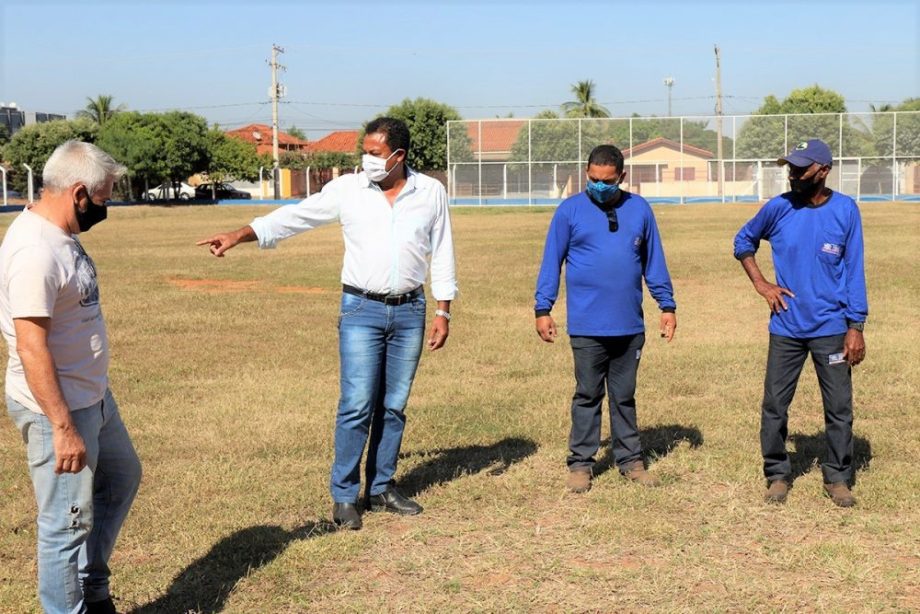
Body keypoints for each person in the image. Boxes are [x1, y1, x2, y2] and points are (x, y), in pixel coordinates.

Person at [198, 117, 457, 530]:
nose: (365, 160)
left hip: (410, 311)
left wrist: (443, 311)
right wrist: (240, 233)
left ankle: (382, 487)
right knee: (356, 405)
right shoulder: (348, 190)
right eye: (365, 152)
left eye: (373, 154)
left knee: (394, 405)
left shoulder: (430, 193)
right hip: (361, 310)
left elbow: (442, 251)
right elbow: (295, 217)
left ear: (399, 156)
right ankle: (344, 497)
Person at [0, 141, 142, 613]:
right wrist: (62, 427)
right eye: (103, 197)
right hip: (57, 409)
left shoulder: (54, 231)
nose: (106, 206)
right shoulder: (36, 250)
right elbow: (30, 344)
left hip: (93, 397)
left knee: (120, 478)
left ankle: (92, 588)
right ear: (79, 193)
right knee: (64, 525)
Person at [534, 144, 677, 494]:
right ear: (587, 174)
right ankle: (581, 464)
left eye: (607, 181)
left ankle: (630, 460)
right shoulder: (569, 211)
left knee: (624, 396)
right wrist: (543, 308)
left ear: (622, 177)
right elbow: (552, 261)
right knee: (587, 394)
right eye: (593, 179)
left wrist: (667, 305)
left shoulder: (640, 209)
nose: (599, 185)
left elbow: (653, 262)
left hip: (629, 326)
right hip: (587, 327)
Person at [733, 138, 868, 507]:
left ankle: (837, 478)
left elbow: (854, 270)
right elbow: (743, 241)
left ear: (823, 171)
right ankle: (777, 474)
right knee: (775, 404)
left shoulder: (845, 210)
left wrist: (856, 326)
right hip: (786, 327)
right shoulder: (778, 208)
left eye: (801, 168)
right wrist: (762, 284)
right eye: (790, 168)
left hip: (832, 329)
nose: (792, 174)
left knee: (839, 407)